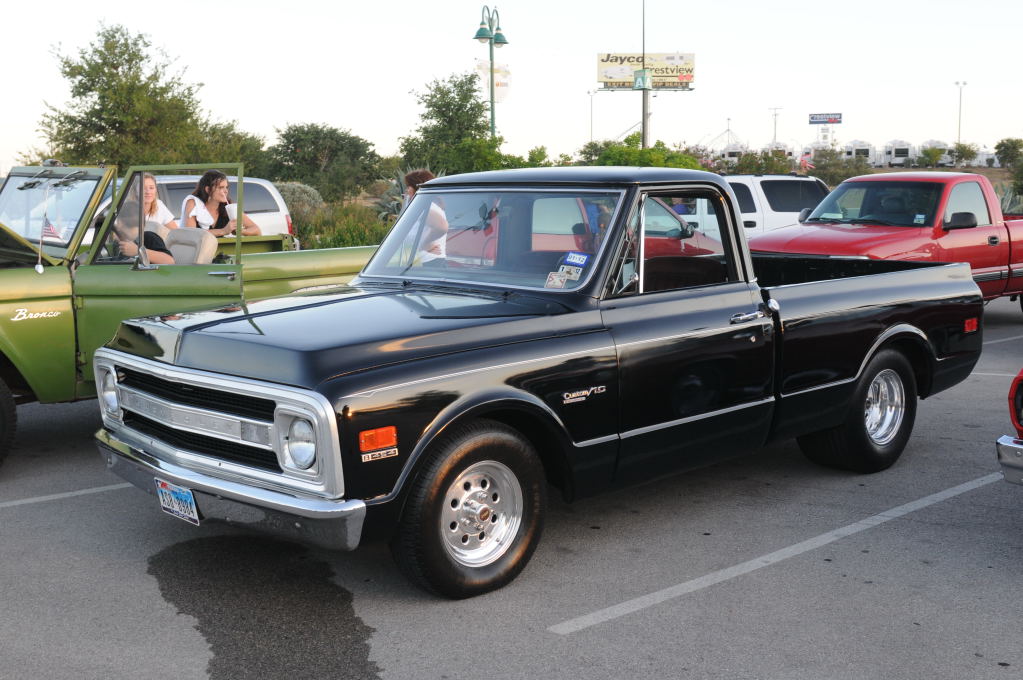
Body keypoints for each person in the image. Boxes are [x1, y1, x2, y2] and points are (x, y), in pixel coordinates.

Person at [180, 170, 262, 237]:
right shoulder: (193, 203)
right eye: (221, 187)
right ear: (208, 190)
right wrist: (223, 231)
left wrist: (241, 231)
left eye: (226, 187)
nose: (225, 191)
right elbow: (191, 234)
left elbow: (256, 230)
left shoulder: (229, 207)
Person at [404, 169, 447, 266]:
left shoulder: (425, 207)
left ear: (417, 187)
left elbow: (442, 226)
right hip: (428, 262)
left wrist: (425, 244)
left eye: (409, 186)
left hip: (430, 263)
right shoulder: (427, 205)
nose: (407, 190)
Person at [141, 173, 178, 239]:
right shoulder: (128, 208)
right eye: (143, 188)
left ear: (155, 189)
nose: (148, 192)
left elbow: (175, 232)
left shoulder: (159, 205)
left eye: (151, 188)